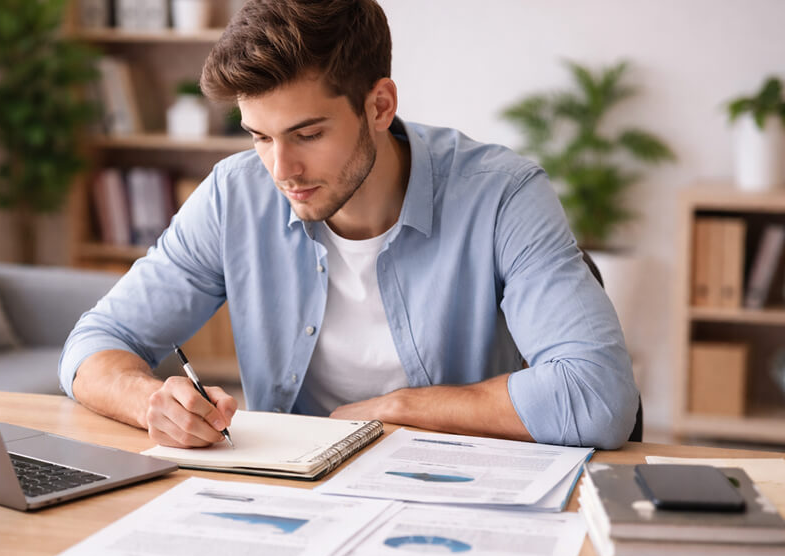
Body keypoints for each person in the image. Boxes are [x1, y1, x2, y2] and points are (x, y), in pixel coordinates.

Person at [59, 0, 639, 450]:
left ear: (379, 106)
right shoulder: (234, 196)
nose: (281, 170)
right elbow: (93, 346)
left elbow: (597, 393)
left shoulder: (502, 196)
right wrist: (150, 403)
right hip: (293, 497)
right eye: (259, 136)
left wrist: (400, 409)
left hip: (455, 492)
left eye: (307, 134)